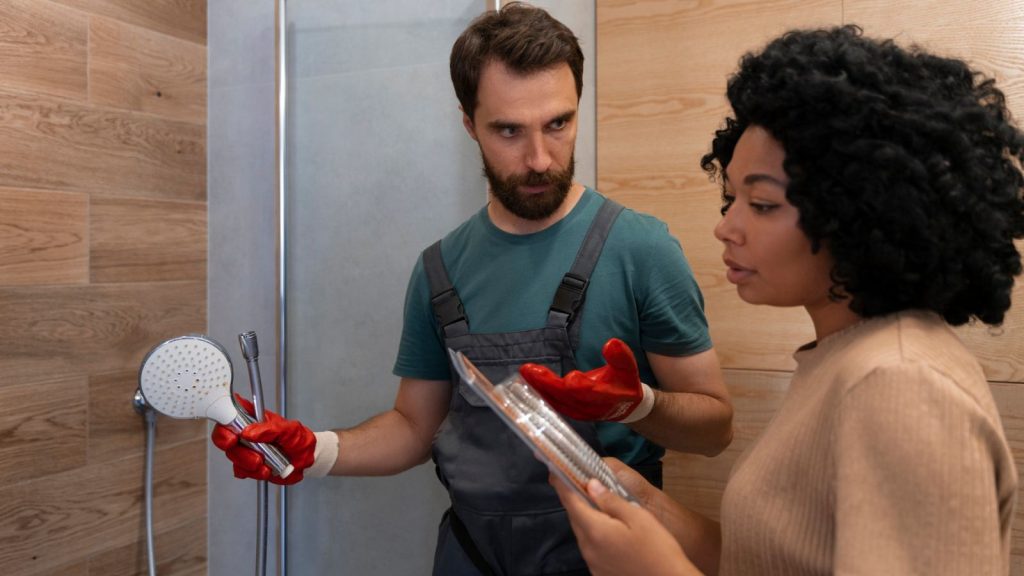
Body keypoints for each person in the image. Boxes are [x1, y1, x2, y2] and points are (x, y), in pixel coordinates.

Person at [211, 4, 734, 575]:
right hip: (471, 558)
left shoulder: (641, 250)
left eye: (558, 123)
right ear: (469, 124)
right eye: (508, 130)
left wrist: (641, 404)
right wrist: (315, 450)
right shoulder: (440, 268)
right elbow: (415, 427)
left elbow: (715, 430)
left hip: (607, 556)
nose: (539, 158)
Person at [540, 25, 1023, 576]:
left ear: (856, 213)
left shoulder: (901, 383)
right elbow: (775, 561)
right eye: (732, 197)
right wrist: (643, 504)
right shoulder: (845, 357)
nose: (726, 227)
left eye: (762, 204)